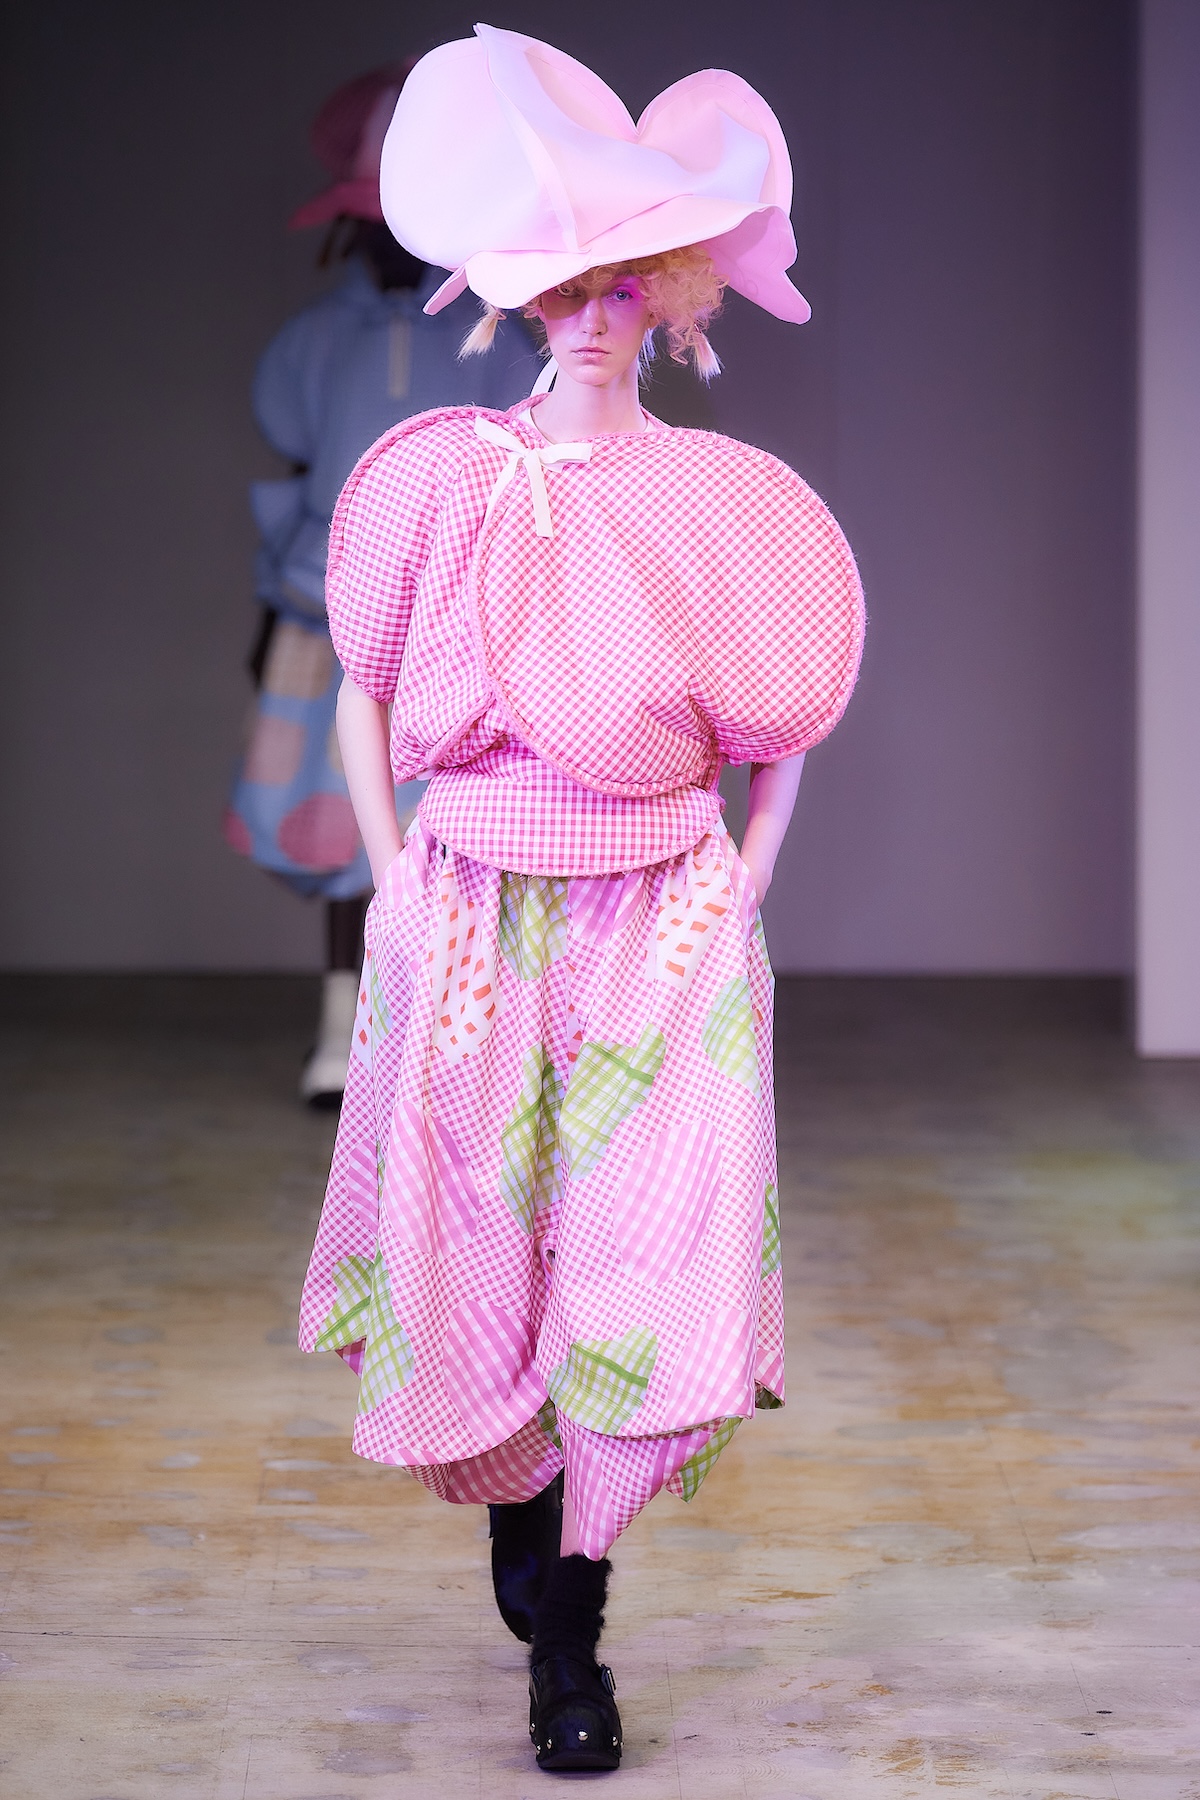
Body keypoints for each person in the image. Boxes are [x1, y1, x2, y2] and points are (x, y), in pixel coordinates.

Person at [297, 25, 865, 1773]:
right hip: (470, 907)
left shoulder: (719, 501)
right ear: (519, 294)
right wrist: (396, 883)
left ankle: (575, 1643)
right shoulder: (437, 479)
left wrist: (739, 893)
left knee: (637, 1251)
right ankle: (524, 1532)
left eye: (626, 286)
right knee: (488, 1229)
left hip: (653, 919)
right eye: (568, 287)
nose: (595, 317)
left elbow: (783, 726)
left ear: (673, 300)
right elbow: (364, 692)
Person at [224, 64, 541, 1104]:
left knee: (456, 820)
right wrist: (268, 614)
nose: (387, 243)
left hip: (458, 617)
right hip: (324, 607)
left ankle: (447, 1036)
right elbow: (292, 466)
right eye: (370, 223)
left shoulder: (495, 337)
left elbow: (522, 474)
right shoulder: (317, 342)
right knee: (333, 823)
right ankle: (339, 1026)